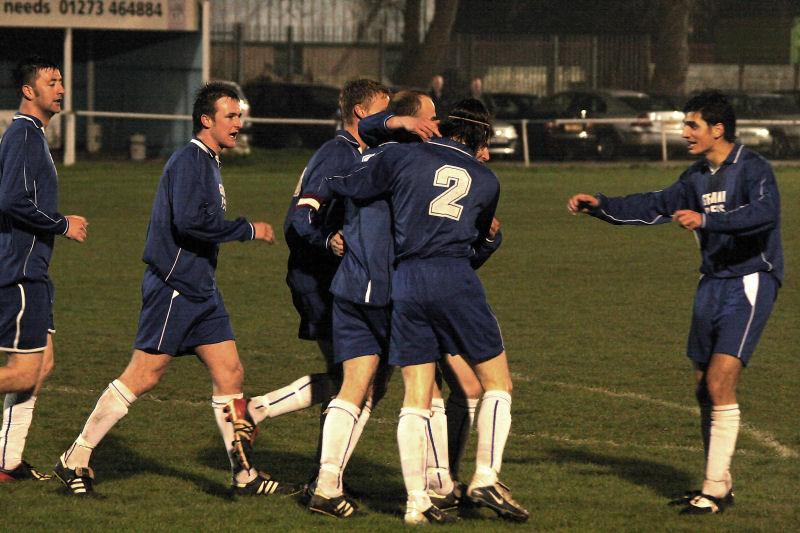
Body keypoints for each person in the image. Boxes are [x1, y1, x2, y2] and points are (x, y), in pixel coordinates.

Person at [53, 82, 294, 497]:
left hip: (203, 291)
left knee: (231, 373)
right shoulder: (189, 161)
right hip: (175, 287)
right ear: (207, 119)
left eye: (239, 116)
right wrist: (248, 229)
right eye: (230, 116)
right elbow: (189, 222)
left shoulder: (210, 162)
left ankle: (244, 476)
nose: (238, 123)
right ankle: (75, 457)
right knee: (144, 375)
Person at [567, 90, 782, 516]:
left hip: (750, 280)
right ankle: (718, 482)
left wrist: (707, 219)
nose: (684, 133)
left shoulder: (754, 168)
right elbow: (653, 205)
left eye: (692, 125)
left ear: (717, 129)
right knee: (704, 387)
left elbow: (764, 214)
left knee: (720, 384)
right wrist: (601, 206)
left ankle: (713, 489)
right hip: (712, 282)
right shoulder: (696, 176)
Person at [325, 98, 529, 524]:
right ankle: (486, 476)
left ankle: (416, 501)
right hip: (454, 277)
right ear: (481, 139)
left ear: (444, 126)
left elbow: (349, 183)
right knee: (497, 383)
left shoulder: (404, 156)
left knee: (415, 397)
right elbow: (476, 240)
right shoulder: (487, 180)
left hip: (407, 282)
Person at [222, 79, 403, 484]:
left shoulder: (362, 153)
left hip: (336, 278)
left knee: (357, 380)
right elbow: (297, 221)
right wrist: (328, 240)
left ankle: (321, 470)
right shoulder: (338, 154)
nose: (391, 119)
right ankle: (264, 421)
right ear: (361, 112)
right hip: (319, 279)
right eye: (385, 110)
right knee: (359, 381)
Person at [302, 90, 446, 518]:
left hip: (349, 287)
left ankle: (326, 486)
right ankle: (434, 488)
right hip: (385, 289)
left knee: (356, 387)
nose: (435, 126)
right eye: (431, 118)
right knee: (427, 386)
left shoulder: (367, 155)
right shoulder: (405, 163)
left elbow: (365, 130)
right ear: (412, 123)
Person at [0, 56, 87, 483]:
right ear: (29, 91)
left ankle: (8, 462)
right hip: (19, 271)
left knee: (43, 364)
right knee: (22, 371)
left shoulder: (33, 136)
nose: (61, 89)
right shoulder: (22, 135)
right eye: (52, 82)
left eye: (61, 82)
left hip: (34, 268)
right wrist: (62, 224)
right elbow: (12, 200)